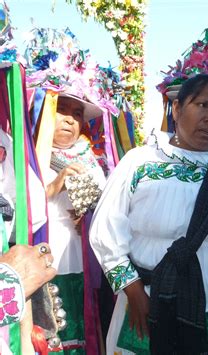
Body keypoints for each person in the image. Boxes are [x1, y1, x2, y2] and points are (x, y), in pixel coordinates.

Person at [90, 74, 208, 354]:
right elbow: (105, 228)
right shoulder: (141, 162)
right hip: (147, 300)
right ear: (176, 109)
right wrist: (132, 289)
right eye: (202, 105)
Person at [43, 92, 106, 353]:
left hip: (80, 255)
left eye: (77, 114)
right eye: (62, 110)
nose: (70, 119)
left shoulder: (90, 160)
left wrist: (90, 220)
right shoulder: (28, 154)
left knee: (81, 323)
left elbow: (105, 207)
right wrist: (53, 187)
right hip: (45, 251)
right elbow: (14, 205)